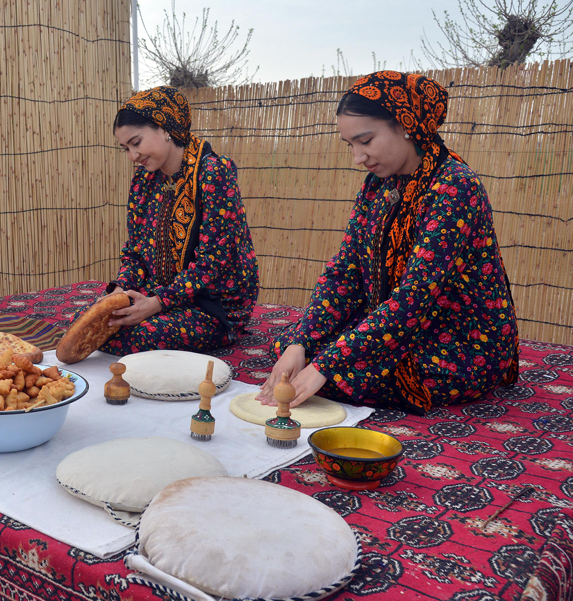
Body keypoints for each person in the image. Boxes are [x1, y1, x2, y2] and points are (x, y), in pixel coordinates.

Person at [258, 71, 518, 415]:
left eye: (365, 141)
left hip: (458, 342)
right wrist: (300, 343)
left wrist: (325, 366)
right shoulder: (376, 186)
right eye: (350, 145)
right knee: (291, 348)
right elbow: (345, 274)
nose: (358, 157)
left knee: (348, 373)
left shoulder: (455, 188)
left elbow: (414, 300)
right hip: (396, 331)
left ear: (406, 124)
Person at [87, 85, 259, 355]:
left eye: (136, 143)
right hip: (158, 295)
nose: (133, 156)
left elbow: (211, 262)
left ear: (164, 128)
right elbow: (135, 252)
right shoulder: (143, 181)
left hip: (212, 305)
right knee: (94, 324)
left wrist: (157, 303)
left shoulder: (213, 173)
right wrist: (119, 295)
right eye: (125, 148)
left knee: (140, 337)